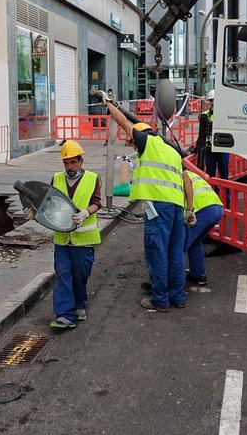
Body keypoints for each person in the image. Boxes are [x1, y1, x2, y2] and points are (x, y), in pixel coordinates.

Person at [102, 91, 186, 312]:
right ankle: (177, 296)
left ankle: (160, 299)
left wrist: (109, 104)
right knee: (175, 253)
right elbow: (185, 178)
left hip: (159, 207)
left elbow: (123, 122)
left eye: (132, 142)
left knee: (157, 251)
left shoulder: (147, 141)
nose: (133, 146)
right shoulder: (172, 151)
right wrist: (191, 209)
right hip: (178, 206)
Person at [47, 140, 102, 329]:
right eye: (66, 163)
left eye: (73, 162)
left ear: (81, 161)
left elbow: (97, 202)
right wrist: (35, 210)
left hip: (84, 240)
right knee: (63, 275)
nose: (70, 167)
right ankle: (64, 314)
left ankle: (79, 305)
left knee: (80, 276)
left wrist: (87, 212)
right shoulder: (56, 178)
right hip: (62, 239)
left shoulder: (93, 178)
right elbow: (48, 202)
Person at [182, 170, 224, 286]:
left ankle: (170, 282)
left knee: (181, 246)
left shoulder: (180, 174)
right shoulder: (191, 174)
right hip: (217, 208)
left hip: (201, 209)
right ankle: (198, 275)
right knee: (195, 242)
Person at [198, 89, 230, 179]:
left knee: (224, 173)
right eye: (211, 100)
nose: (212, 102)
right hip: (209, 149)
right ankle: (212, 191)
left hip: (222, 148)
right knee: (210, 174)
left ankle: (226, 192)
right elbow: (201, 135)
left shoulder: (226, 115)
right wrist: (197, 148)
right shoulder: (204, 115)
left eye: (214, 100)